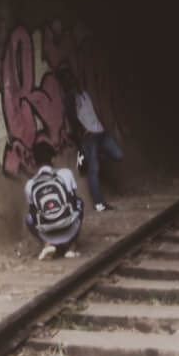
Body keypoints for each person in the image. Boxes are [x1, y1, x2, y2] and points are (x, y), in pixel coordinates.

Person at [62, 72, 123, 212]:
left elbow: (93, 112)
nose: (73, 83)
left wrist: (103, 125)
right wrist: (83, 131)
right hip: (89, 137)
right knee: (93, 171)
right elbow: (72, 118)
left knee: (118, 155)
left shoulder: (85, 94)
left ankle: (89, 159)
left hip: (100, 132)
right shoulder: (70, 98)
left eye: (73, 80)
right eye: (69, 81)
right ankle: (99, 204)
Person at [25, 142, 84, 260]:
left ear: (34, 162)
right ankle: (71, 248)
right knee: (80, 203)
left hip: (46, 231)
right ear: (52, 158)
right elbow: (73, 200)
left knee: (29, 219)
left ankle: (48, 244)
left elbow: (32, 210)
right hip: (69, 227)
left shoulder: (30, 184)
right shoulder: (66, 173)